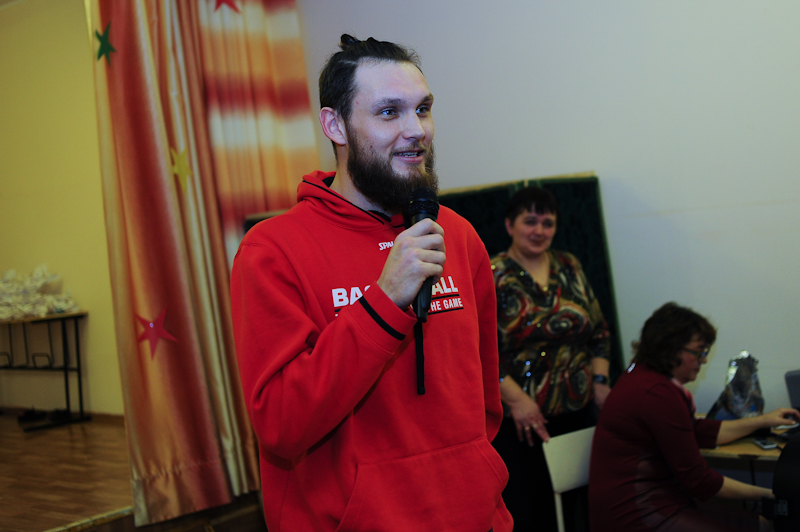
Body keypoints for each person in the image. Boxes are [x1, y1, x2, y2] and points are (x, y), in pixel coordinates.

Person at [230, 35, 513, 532]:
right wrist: (382, 302)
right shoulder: (272, 250)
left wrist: (475, 482)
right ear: (335, 125)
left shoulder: (458, 235)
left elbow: (485, 400)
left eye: (422, 109)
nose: (416, 130)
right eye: (389, 112)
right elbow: (280, 423)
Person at [589, 302, 800, 532]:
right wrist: (773, 494)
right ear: (671, 349)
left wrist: (762, 421)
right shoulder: (657, 393)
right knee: (760, 526)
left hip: (646, 502)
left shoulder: (642, 375)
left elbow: (698, 432)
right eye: (700, 351)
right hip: (635, 515)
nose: (704, 360)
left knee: (760, 524)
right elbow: (699, 480)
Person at [490, 186, 612, 531]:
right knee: (533, 514)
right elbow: (477, 350)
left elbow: (599, 331)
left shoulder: (569, 265)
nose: (539, 231)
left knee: (580, 511)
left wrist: (600, 382)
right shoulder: (492, 273)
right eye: (530, 221)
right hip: (522, 422)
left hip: (578, 413)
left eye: (548, 223)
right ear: (509, 225)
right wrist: (517, 401)